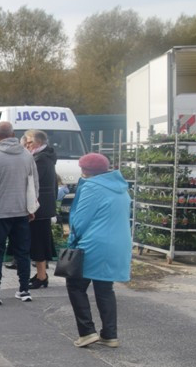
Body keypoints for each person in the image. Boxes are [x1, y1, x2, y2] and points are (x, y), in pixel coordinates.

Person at [66, 153, 131, 348]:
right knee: (104, 289)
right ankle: (109, 334)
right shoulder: (121, 187)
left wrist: (72, 241)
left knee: (75, 285)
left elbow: (80, 220)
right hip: (118, 244)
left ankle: (87, 332)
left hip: (94, 244)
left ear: (85, 170)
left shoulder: (92, 187)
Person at [0, 121, 38, 306]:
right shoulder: (27, 156)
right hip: (21, 212)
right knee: (22, 252)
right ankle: (24, 290)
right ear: (13, 135)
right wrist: (31, 208)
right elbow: (34, 185)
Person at [26, 130, 57, 289]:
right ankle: (40, 274)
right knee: (39, 241)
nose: (27, 144)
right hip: (43, 206)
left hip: (39, 208)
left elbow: (31, 183)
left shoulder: (41, 159)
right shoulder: (43, 157)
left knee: (38, 242)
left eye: (30, 142)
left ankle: (42, 276)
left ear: (39, 142)